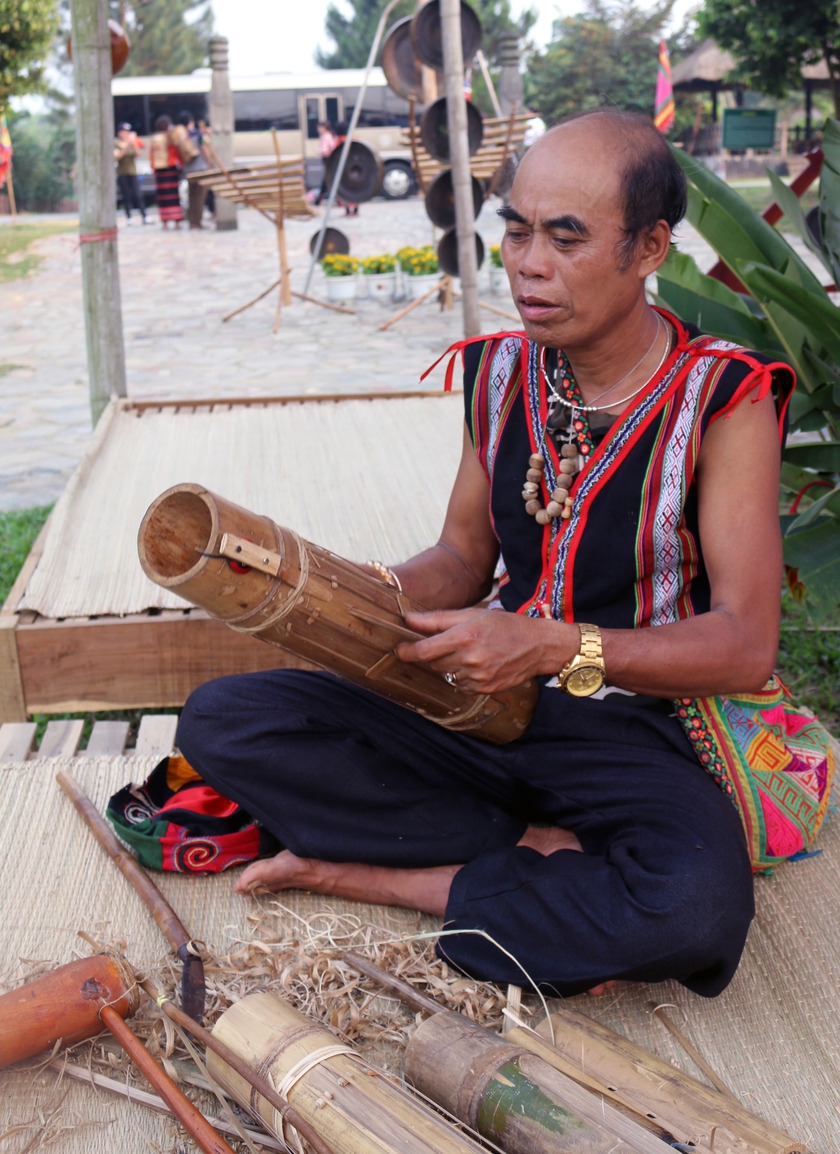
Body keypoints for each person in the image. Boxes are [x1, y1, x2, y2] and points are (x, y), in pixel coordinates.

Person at [177, 109, 799, 999]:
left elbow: (745, 648)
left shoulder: (724, 394)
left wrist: (554, 647)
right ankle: (539, 854)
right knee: (225, 722)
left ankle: (399, 877)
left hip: (636, 726)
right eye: (515, 229)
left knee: (695, 904)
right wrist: (354, 595)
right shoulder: (500, 371)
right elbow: (462, 557)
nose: (528, 264)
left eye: (567, 237)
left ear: (651, 246)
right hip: (478, 701)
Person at [174, 111, 211, 229]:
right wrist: (209, 165)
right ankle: (197, 222)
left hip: (188, 171)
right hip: (200, 169)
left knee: (192, 197)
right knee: (200, 197)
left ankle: (191, 222)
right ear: (191, 121)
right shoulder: (197, 134)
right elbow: (204, 149)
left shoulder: (180, 136)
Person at [149, 115, 183, 229]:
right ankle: (177, 221)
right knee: (174, 195)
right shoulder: (170, 138)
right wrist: (181, 165)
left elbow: (151, 156)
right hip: (171, 168)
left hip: (159, 171)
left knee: (162, 197)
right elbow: (177, 152)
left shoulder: (154, 138)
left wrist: (153, 169)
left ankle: (165, 222)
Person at [113, 123, 148, 224]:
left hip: (133, 172)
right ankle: (129, 218)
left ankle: (144, 216)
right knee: (126, 196)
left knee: (138, 195)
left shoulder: (131, 143)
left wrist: (132, 143)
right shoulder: (117, 144)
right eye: (124, 132)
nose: (126, 134)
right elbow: (116, 157)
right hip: (122, 173)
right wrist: (126, 146)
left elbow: (137, 154)